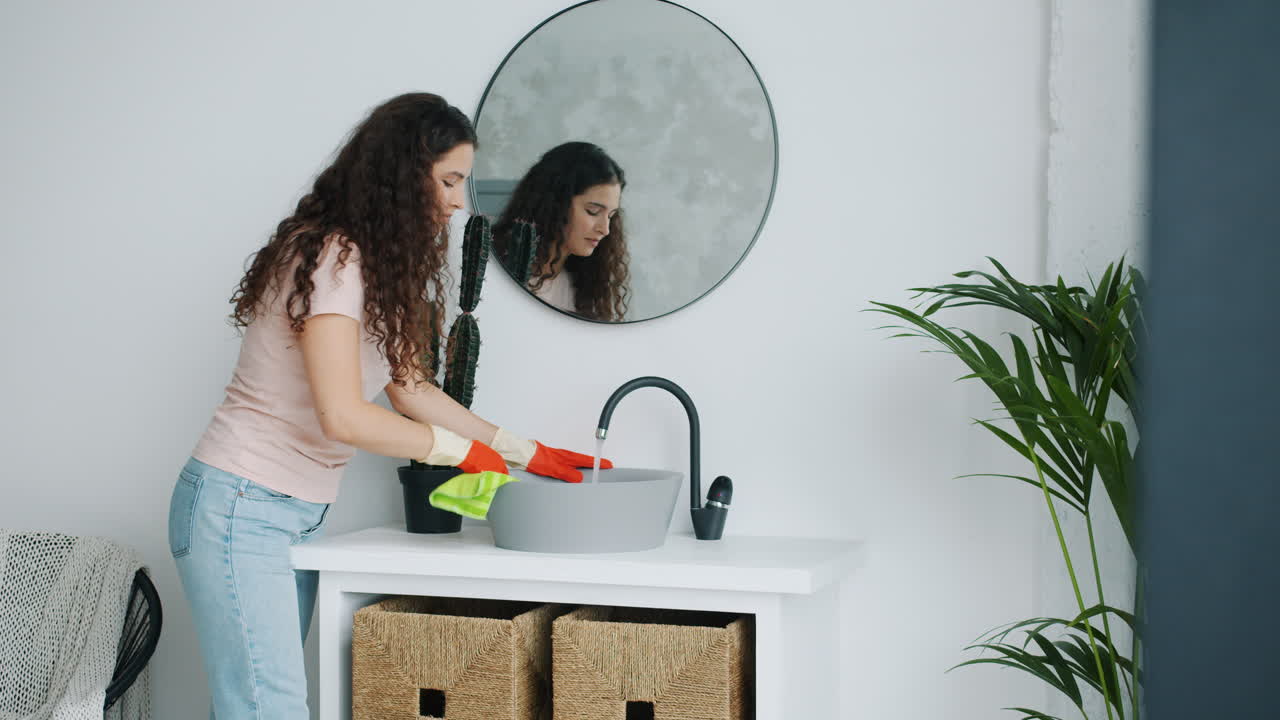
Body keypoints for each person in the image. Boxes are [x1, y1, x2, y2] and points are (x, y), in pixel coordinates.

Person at [168, 93, 606, 719]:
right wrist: (461, 452)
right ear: (402, 174)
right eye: (448, 181)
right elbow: (343, 414)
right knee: (266, 709)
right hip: (241, 502)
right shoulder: (334, 256)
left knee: (255, 707)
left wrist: (522, 450)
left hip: (288, 509)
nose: (459, 202)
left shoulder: (374, 263)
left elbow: (411, 388)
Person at [493, 141, 631, 322]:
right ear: (556, 204)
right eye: (593, 211)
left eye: (611, 216)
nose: (605, 230)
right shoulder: (496, 268)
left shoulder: (582, 290)